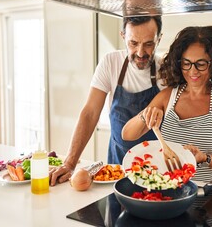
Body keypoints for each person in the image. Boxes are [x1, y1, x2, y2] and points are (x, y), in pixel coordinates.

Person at [49, 16, 164, 186]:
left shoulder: (166, 70)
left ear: (159, 39)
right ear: (123, 36)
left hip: (156, 172)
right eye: (133, 43)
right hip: (116, 169)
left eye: (148, 44)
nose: (140, 53)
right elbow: (90, 113)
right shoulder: (111, 62)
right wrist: (70, 162)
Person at [122, 26, 212, 183]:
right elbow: (127, 134)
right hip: (172, 193)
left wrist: (204, 158)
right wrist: (145, 116)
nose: (192, 71)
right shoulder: (168, 96)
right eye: (186, 63)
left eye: (201, 64)